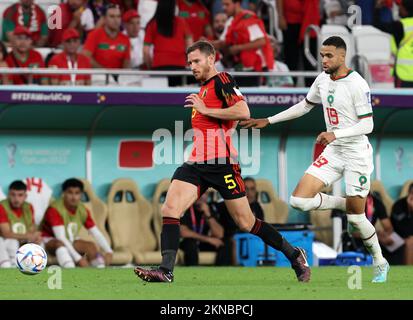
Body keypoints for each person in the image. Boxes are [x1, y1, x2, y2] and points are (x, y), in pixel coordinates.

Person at [134, 40, 310, 283]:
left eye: (196, 61)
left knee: (246, 222)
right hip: (196, 163)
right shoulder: (204, 90)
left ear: (211, 59)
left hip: (222, 163)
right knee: (170, 209)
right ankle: (166, 270)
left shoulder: (223, 80)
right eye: (189, 63)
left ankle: (294, 255)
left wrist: (206, 110)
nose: (192, 67)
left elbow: (243, 111)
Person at [241, 36, 390, 283]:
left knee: (356, 219)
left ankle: (379, 261)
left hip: (356, 154)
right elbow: (304, 105)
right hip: (334, 151)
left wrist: (335, 133)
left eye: (329, 55)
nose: (324, 60)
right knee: (298, 200)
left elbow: (368, 124)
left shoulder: (357, 83)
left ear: (342, 56)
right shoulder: (322, 80)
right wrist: (269, 120)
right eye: (322, 55)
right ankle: (345, 203)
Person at [40, 178, 113, 268]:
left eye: (77, 193)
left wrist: (109, 251)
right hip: (50, 241)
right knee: (60, 245)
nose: (74, 197)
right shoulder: (54, 209)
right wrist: (78, 259)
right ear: (64, 194)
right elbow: (61, 237)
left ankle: (99, 273)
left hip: (70, 239)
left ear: (81, 195)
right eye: (70, 192)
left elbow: (95, 232)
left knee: (91, 246)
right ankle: (70, 271)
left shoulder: (82, 210)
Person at [220, 0, 274, 87]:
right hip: (240, 67)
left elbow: (261, 41)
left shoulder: (249, 18)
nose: (224, 8)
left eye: (227, 5)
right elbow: (223, 42)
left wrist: (238, 48)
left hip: (255, 68)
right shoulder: (231, 21)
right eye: (223, 5)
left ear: (237, 4)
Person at [143, 0, 193, 86]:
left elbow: (145, 51)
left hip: (158, 68)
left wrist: (150, 66)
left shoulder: (152, 24)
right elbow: (190, 47)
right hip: (179, 67)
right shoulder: (182, 22)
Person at [0, 181, 41, 268]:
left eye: (20, 195)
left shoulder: (28, 207)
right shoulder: (2, 206)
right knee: (12, 242)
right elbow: (6, 234)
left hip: (22, 241)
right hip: (5, 242)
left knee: (39, 244)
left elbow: (32, 229)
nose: (16, 199)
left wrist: (34, 238)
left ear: (25, 196)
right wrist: (28, 236)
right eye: (13, 195)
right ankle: (7, 266)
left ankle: (32, 269)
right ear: (8, 195)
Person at [179, 193, 228, 266]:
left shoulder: (210, 208)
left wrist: (208, 215)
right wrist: (209, 239)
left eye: (204, 193)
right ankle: (193, 275)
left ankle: (219, 274)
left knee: (222, 245)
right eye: (198, 193)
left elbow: (220, 234)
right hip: (186, 242)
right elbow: (183, 232)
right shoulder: (185, 208)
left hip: (203, 243)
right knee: (190, 243)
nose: (201, 196)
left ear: (207, 196)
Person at [373, 0, 413, 87]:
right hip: (404, 74)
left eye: (400, 7)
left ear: (405, 10)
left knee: (402, 100)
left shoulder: (400, 26)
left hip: (404, 75)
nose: (398, 9)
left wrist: (377, 8)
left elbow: (377, 24)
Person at [83, 4, 131, 70]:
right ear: (104, 19)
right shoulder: (94, 35)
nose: (116, 20)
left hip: (118, 77)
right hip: (97, 76)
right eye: (112, 16)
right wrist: (105, 71)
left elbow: (126, 64)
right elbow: (85, 57)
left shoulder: (125, 39)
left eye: (118, 16)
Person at [390, 182, 413, 264]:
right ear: (409, 194)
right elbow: (404, 231)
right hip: (396, 235)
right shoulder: (398, 206)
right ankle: (409, 273)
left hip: (409, 237)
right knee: (410, 242)